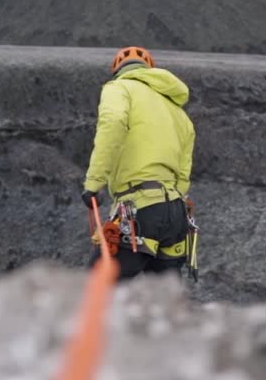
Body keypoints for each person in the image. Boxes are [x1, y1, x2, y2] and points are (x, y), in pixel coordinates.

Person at [81, 46, 196, 280]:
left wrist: (94, 184)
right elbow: (183, 174)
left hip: (139, 208)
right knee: (161, 298)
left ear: (118, 71)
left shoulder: (119, 88)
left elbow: (112, 125)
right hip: (176, 213)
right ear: (150, 72)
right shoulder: (177, 111)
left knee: (97, 286)